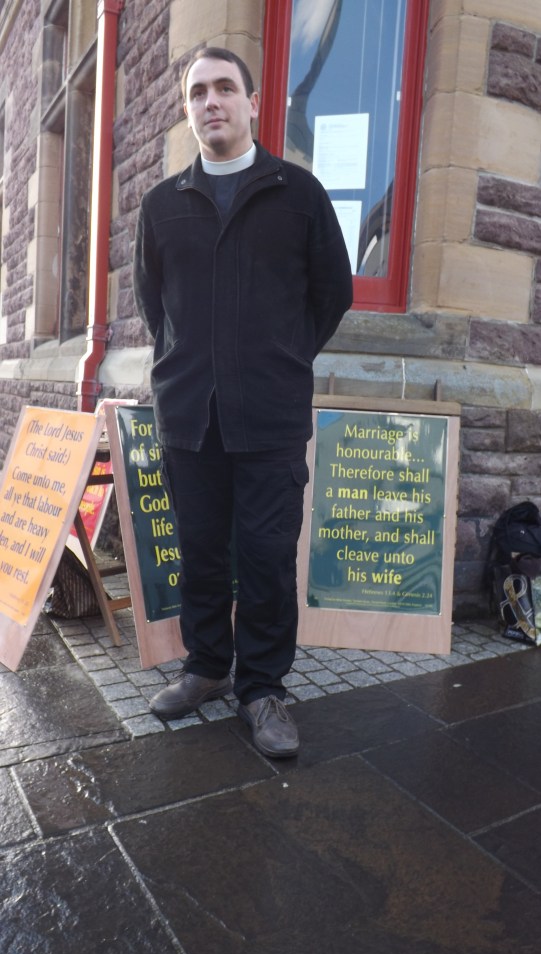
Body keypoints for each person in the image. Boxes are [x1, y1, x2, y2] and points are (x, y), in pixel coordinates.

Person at [133, 46, 352, 758]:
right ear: (189, 109)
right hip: (189, 416)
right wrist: (185, 365)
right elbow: (152, 303)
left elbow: (332, 294)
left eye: (225, 88)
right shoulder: (163, 205)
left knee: (262, 556)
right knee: (199, 553)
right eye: (198, 92)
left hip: (269, 418)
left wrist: (280, 361)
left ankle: (262, 688)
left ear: (254, 103)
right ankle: (205, 669)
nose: (211, 102)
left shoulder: (298, 193)